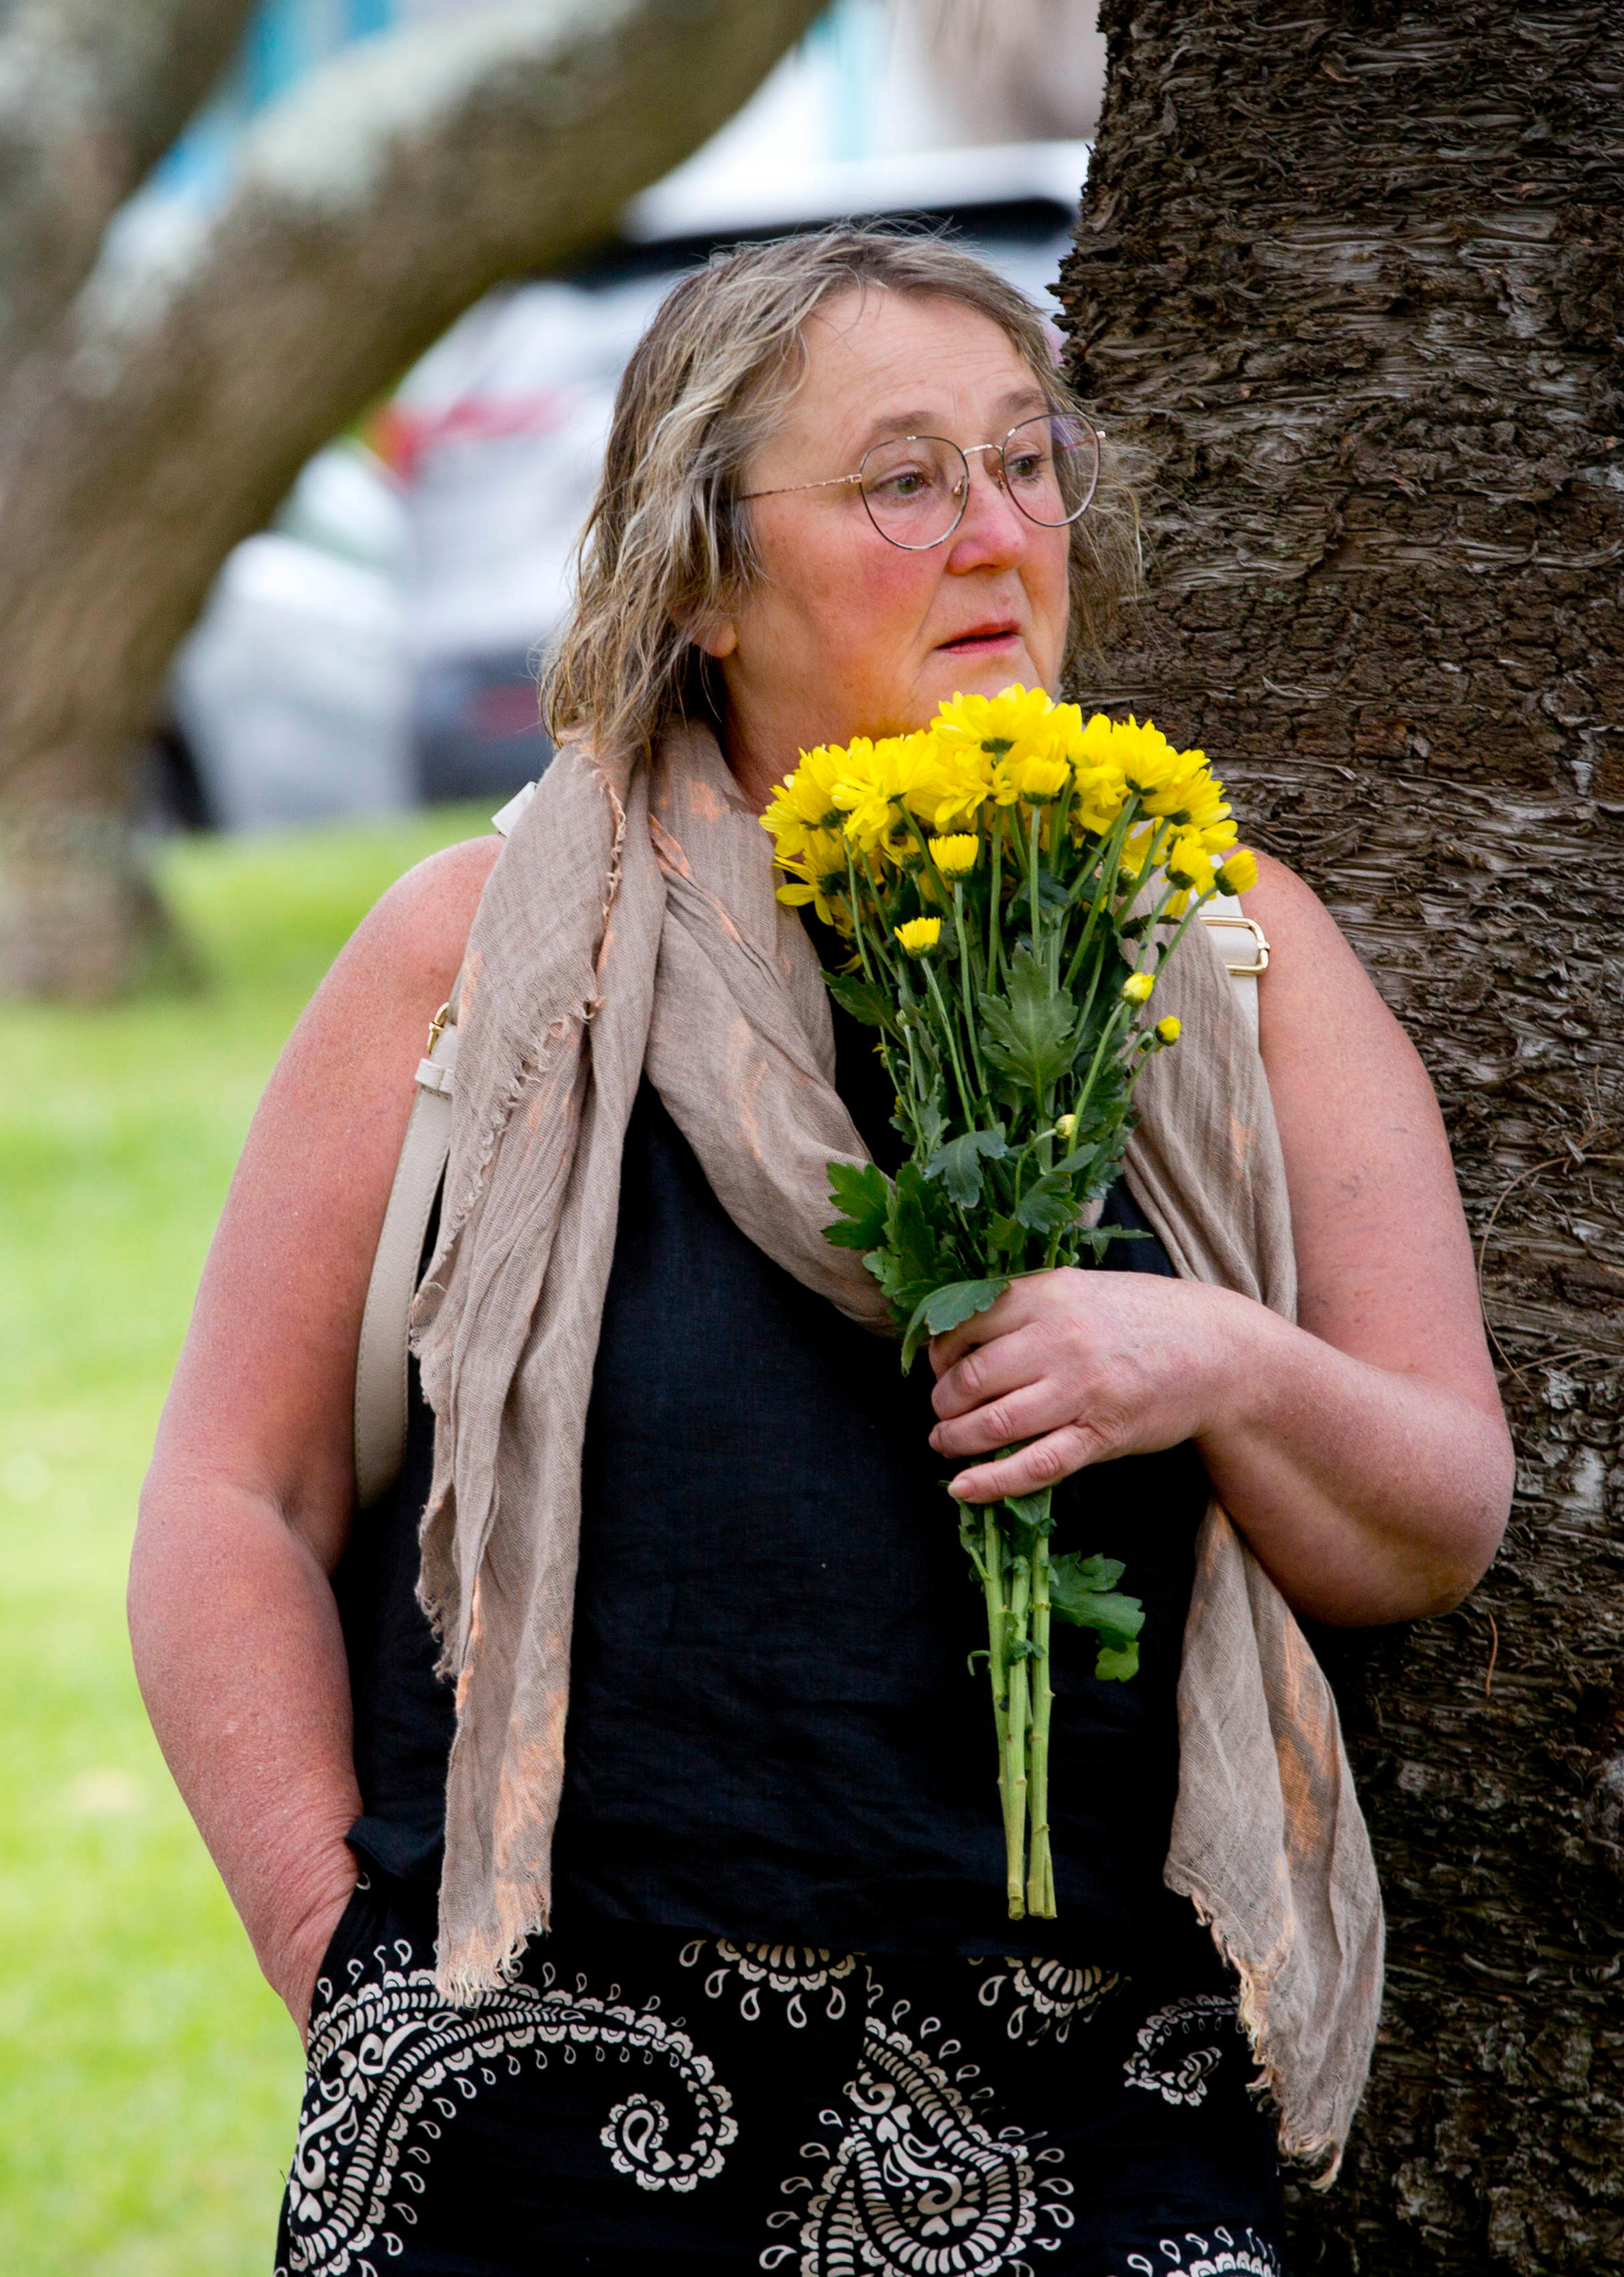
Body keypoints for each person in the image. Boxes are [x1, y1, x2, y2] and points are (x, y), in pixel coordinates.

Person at [130, 229, 1511, 2276]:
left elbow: (1436, 1514)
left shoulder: (1222, 944)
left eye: (1027, 463)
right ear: (701, 576)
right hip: (537, 2103)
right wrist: (338, 1962)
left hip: (1092, 2113)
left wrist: (1216, 1362)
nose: (994, 535)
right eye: (903, 480)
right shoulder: (484, 956)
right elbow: (236, 1497)